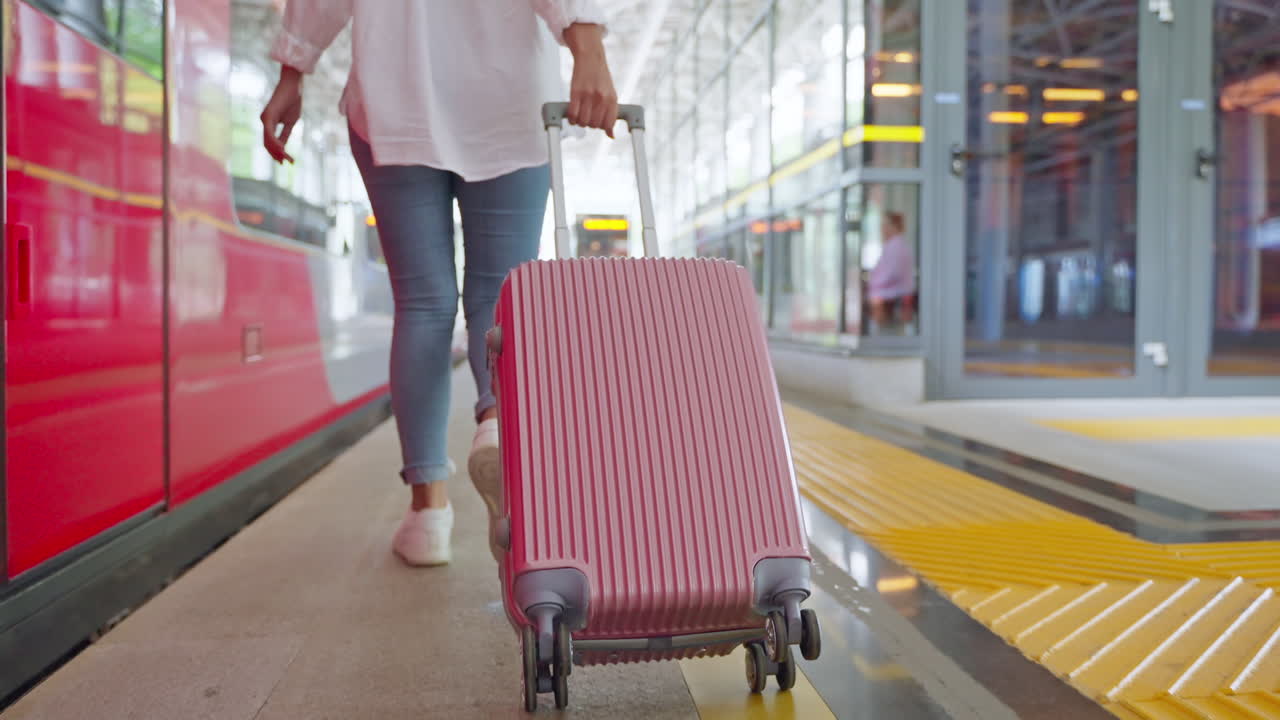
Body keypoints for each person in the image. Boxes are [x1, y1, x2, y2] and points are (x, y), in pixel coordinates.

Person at [261, 1, 618, 567]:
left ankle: (428, 515)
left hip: (395, 96)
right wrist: (589, 52)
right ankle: (496, 424)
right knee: (499, 296)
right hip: (511, 102)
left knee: (424, 304)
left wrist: (292, 72)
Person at [867, 211, 916, 331]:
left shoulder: (896, 246)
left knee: (874, 297)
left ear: (893, 226)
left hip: (896, 291)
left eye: (885, 225)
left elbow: (893, 273)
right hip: (896, 289)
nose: (882, 228)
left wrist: (874, 283)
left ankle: (877, 328)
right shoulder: (895, 245)